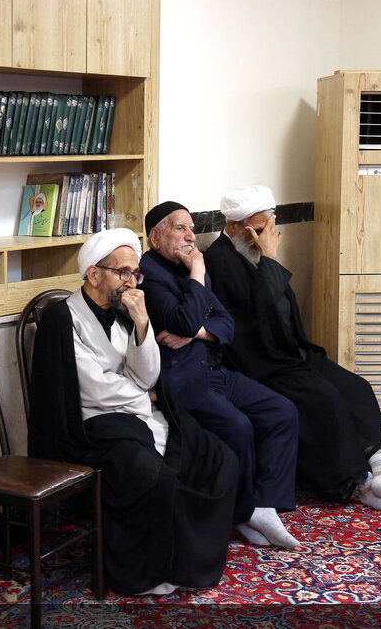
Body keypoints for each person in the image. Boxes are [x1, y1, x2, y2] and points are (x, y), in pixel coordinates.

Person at [27, 228, 239, 596]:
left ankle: (187, 561)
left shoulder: (124, 312)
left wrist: (143, 324)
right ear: (94, 274)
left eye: (135, 273)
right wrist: (145, 398)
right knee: (151, 474)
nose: (131, 281)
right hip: (90, 426)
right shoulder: (64, 319)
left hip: (133, 415)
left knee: (217, 457)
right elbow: (94, 388)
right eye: (123, 272)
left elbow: (147, 375)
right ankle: (143, 573)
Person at [205, 185, 381, 515]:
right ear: (233, 226)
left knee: (357, 388)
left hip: (290, 351)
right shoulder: (220, 261)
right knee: (323, 398)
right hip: (260, 362)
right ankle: (358, 483)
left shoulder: (251, 250)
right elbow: (262, 309)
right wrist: (270, 257)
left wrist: (266, 256)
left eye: (269, 228)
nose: (265, 237)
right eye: (257, 230)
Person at [138, 203, 301, 549]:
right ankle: (241, 512)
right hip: (180, 378)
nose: (190, 236)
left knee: (281, 410)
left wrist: (195, 332)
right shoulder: (149, 274)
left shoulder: (187, 266)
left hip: (214, 369)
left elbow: (226, 324)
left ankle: (264, 504)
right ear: (155, 237)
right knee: (237, 426)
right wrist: (197, 272)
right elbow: (183, 320)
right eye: (180, 228)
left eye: (191, 228)